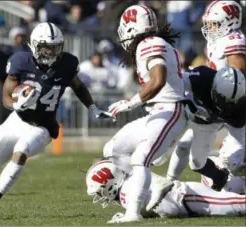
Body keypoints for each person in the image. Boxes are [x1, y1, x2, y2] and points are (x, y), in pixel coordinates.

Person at [0, 22, 114, 219]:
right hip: (17, 119)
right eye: (45, 47)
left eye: (54, 47)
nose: (50, 52)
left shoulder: (67, 63)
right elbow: (6, 95)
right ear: (34, 45)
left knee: (21, 151)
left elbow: (78, 86)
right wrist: (15, 104)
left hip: (43, 126)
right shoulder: (20, 61)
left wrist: (92, 107)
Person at [103, 5, 187, 223]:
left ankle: (133, 212)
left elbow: (157, 81)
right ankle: (153, 187)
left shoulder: (149, 44)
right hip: (158, 112)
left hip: (169, 111)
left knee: (140, 159)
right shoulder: (154, 43)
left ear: (131, 28)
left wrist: (130, 103)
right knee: (114, 148)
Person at [169, 0, 246, 190]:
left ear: (229, 22)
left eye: (214, 23)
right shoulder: (217, 39)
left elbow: (238, 77)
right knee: (185, 144)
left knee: (234, 160)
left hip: (234, 105)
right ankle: (170, 183)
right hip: (215, 101)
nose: (209, 27)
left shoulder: (233, 40)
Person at [85, 159, 245, 224]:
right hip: (187, 199)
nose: (100, 196)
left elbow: (169, 203)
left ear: (108, 183)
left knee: (237, 205)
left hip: (189, 197)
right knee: (232, 198)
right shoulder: (128, 189)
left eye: (99, 191)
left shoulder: (130, 188)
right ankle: (238, 178)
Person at [166, 66, 245, 191]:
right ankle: (169, 182)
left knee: (197, 163)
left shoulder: (240, 110)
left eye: (231, 102)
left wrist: (238, 160)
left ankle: (219, 176)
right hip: (185, 113)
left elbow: (239, 141)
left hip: (208, 124)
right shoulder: (202, 78)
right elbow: (172, 81)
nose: (226, 105)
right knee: (177, 145)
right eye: (222, 99)